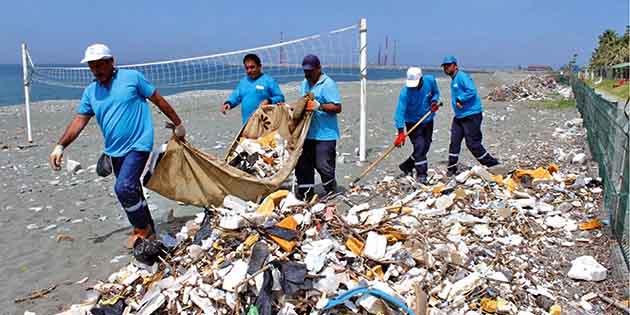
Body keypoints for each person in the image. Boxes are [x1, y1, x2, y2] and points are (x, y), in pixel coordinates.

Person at [48, 44, 186, 248]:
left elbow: (158, 99)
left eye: (100, 64)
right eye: (92, 66)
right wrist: (60, 146)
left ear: (111, 62)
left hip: (139, 144)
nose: (96, 69)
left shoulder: (133, 78)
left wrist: (178, 123)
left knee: (123, 187)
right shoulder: (90, 92)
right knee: (133, 189)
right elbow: (79, 121)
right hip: (114, 150)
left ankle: (141, 228)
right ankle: (148, 229)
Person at [441, 55, 500, 176]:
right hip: (460, 116)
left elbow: (472, 91)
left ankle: (492, 164)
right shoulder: (454, 79)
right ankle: (451, 169)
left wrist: (460, 99)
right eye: (444, 66)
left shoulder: (461, 76)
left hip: (471, 115)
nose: (446, 68)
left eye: (448, 66)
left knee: (472, 143)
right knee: (454, 142)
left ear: (455, 66)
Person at [295, 54, 342, 200]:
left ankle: (330, 190)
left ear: (318, 69)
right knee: (303, 164)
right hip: (307, 133)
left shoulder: (328, 84)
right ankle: (305, 193)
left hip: (325, 134)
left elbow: (337, 107)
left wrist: (319, 106)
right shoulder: (305, 83)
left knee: (323, 165)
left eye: (310, 70)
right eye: (305, 71)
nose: (308, 74)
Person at [393, 67, 440, 184]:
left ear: (421, 79)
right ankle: (421, 174)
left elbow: (435, 93)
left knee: (425, 147)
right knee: (419, 146)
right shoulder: (405, 92)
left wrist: (434, 102)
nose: (413, 86)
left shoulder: (430, 81)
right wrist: (400, 132)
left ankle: (407, 165)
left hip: (427, 119)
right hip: (412, 122)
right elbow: (399, 112)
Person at [221, 54, 285, 124]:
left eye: (252, 67)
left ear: (259, 66)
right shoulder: (243, 82)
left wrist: (269, 101)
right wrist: (229, 103)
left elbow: (280, 98)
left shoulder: (269, 81)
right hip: (247, 124)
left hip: (265, 123)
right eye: (247, 68)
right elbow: (236, 96)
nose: (249, 70)